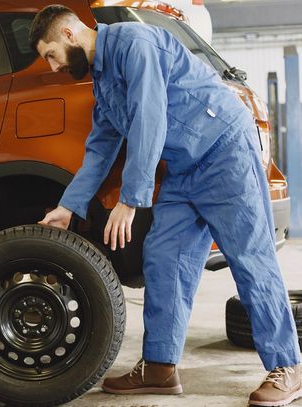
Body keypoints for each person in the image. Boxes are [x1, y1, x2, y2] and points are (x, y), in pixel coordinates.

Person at [30, 4, 301, 406]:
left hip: (224, 152)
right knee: (163, 257)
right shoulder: (103, 79)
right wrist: (69, 205)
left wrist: (131, 199)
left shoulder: (134, 44)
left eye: (50, 54)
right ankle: (159, 367)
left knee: (250, 257)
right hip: (183, 168)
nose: (52, 66)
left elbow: (149, 118)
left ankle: (289, 367)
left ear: (69, 35)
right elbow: (102, 145)